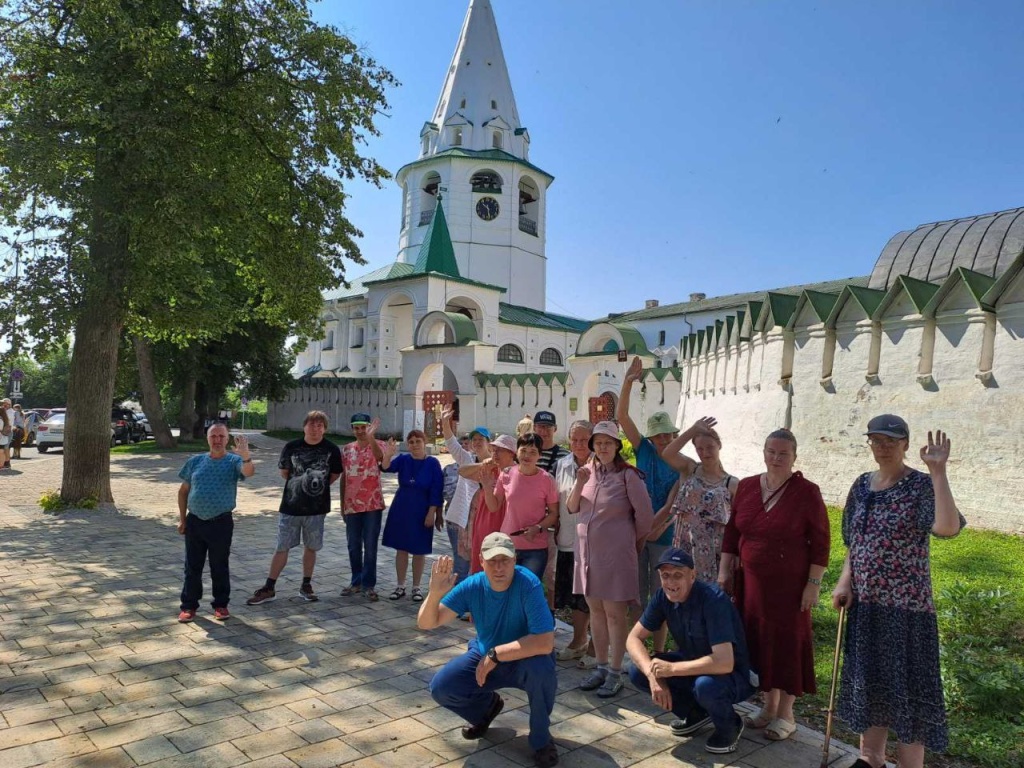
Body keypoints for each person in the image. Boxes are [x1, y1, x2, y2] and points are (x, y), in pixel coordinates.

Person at [833, 416, 966, 768]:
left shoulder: (921, 485)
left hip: (907, 611)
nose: (883, 446)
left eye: (892, 440)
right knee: (873, 685)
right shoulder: (861, 485)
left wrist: (938, 472)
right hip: (867, 607)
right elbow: (854, 539)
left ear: (906, 444)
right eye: (876, 440)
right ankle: (870, 758)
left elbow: (947, 528)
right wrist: (846, 580)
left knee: (909, 694)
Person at [718, 428, 830, 741]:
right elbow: (732, 532)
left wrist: (813, 584)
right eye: (771, 451)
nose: (776, 458)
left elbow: (821, 543)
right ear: (764, 452)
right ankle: (768, 707)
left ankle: (786, 715)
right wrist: (724, 571)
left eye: (783, 453)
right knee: (759, 642)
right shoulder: (749, 486)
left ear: (794, 457)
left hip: (790, 587)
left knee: (786, 645)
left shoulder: (807, 492)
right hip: (751, 584)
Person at [418, 534, 559, 768]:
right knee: (441, 688)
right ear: (481, 561)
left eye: (505, 559)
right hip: (485, 655)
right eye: (492, 560)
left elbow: (544, 642)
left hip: (525, 657)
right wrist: (434, 593)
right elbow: (427, 623)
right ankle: (486, 710)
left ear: (515, 560)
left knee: (542, 671)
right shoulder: (473, 584)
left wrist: (496, 654)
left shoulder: (528, 583)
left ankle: (541, 740)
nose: (499, 567)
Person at [626, 548, 753, 755]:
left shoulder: (713, 600)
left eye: (678, 575)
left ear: (692, 576)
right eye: (665, 575)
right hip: (694, 662)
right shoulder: (662, 596)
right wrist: (653, 675)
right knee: (637, 670)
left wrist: (671, 669)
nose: (671, 582)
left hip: (734, 674)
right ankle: (696, 713)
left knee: (705, 686)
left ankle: (730, 724)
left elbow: (724, 662)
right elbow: (633, 639)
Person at [567, 420, 654, 698]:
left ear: (617, 446)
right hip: (588, 557)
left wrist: (626, 541)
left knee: (616, 615)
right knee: (596, 614)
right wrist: (580, 481)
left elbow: (645, 518)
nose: (602, 447)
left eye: (608, 443)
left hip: (615, 557)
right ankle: (601, 667)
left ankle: (616, 671)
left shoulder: (629, 475)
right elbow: (571, 507)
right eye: (598, 443)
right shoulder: (587, 472)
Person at [616, 356, 680, 652]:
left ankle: (661, 650)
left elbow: (675, 502)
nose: (664, 438)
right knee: (637, 595)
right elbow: (623, 418)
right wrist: (627, 382)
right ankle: (637, 647)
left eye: (668, 433)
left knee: (662, 593)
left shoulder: (680, 461)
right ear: (652, 436)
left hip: (665, 537)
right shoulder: (644, 451)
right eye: (659, 434)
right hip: (636, 533)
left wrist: (658, 528)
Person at [246, 410, 342, 606]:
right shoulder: (291, 447)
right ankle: (269, 586)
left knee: (311, 547)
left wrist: (316, 491)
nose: (315, 429)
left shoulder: (331, 449)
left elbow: (333, 475)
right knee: (282, 547)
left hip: (317, 509)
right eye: (312, 424)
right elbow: (285, 473)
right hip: (291, 507)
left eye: (319, 425)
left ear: (324, 429)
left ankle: (306, 585)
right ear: (304, 426)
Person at [176, 424, 255, 622]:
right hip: (195, 521)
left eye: (221, 436)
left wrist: (246, 455)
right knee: (192, 566)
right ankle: (189, 605)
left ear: (227, 439)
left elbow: (249, 471)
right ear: (208, 438)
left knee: (219, 565)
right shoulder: (195, 461)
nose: (217, 439)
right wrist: (182, 519)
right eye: (213, 436)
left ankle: (220, 605)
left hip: (220, 522)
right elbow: (183, 491)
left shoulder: (234, 461)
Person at [652, 417, 738, 584]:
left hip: (714, 552)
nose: (705, 453)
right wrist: (692, 430)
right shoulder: (690, 468)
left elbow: (735, 525)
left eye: (710, 447)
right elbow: (667, 453)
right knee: (681, 593)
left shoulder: (732, 483)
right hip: (684, 545)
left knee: (708, 598)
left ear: (719, 446)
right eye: (700, 449)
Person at [482, 433, 559, 581]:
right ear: (517, 452)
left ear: (539, 456)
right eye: (523, 450)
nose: (527, 456)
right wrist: (486, 487)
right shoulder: (506, 474)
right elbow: (494, 507)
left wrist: (537, 527)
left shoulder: (547, 480)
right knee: (506, 588)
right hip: (507, 545)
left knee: (528, 590)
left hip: (535, 548)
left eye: (532, 452)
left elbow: (554, 513)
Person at [381, 430, 444, 602]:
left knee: (419, 550)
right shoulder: (403, 459)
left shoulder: (433, 463)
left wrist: (432, 513)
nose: (415, 445)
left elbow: (436, 489)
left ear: (425, 442)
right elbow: (386, 467)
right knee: (401, 548)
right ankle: (400, 585)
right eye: (411, 442)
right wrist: (387, 454)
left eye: (418, 441)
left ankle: (416, 587)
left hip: (422, 509)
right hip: (402, 507)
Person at [552, 420, 594, 664]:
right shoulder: (562, 465)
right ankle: (579, 641)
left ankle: (595, 647)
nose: (579, 444)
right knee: (575, 594)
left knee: (593, 595)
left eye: (583, 439)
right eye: (574, 439)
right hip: (567, 539)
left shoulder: (601, 465)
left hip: (594, 541)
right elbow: (557, 501)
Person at [340, 413, 387, 601]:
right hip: (352, 504)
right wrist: (342, 503)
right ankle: (356, 581)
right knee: (353, 545)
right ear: (352, 429)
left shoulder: (378, 444)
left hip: (372, 504)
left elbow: (380, 458)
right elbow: (344, 476)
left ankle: (369, 584)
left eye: (363, 427)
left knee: (370, 545)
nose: (360, 431)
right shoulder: (347, 449)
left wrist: (371, 437)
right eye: (357, 428)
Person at [441, 407, 491, 584]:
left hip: (484, 521)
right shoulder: (467, 459)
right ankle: (457, 605)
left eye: (481, 439)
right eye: (474, 440)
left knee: (481, 563)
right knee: (461, 566)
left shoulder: (497, 464)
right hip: (461, 521)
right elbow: (451, 443)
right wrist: (445, 423)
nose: (477, 442)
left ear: (489, 443)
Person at [459, 434, 518, 574]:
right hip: (485, 520)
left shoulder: (518, 471)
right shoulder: (489, 469)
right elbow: (462, 471)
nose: (495, 454)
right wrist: (483, 464)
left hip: (507, 521)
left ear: (511, 453)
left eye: (500, 450)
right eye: (493, 450)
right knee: (483, 561)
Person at [531, 411, 567, 476]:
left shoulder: (565, 455)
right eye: (540, 426)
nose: (544, 430)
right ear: (534, 428)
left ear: (555, 428)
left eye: (548, 426)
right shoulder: (526, 453)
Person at [0, 401, 11, 469]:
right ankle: (2, 465)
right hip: (3, 437)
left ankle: (1, 465)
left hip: (1, 437)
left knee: (1, 452)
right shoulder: (5, 419)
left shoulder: (0, 419)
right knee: (2, 451)